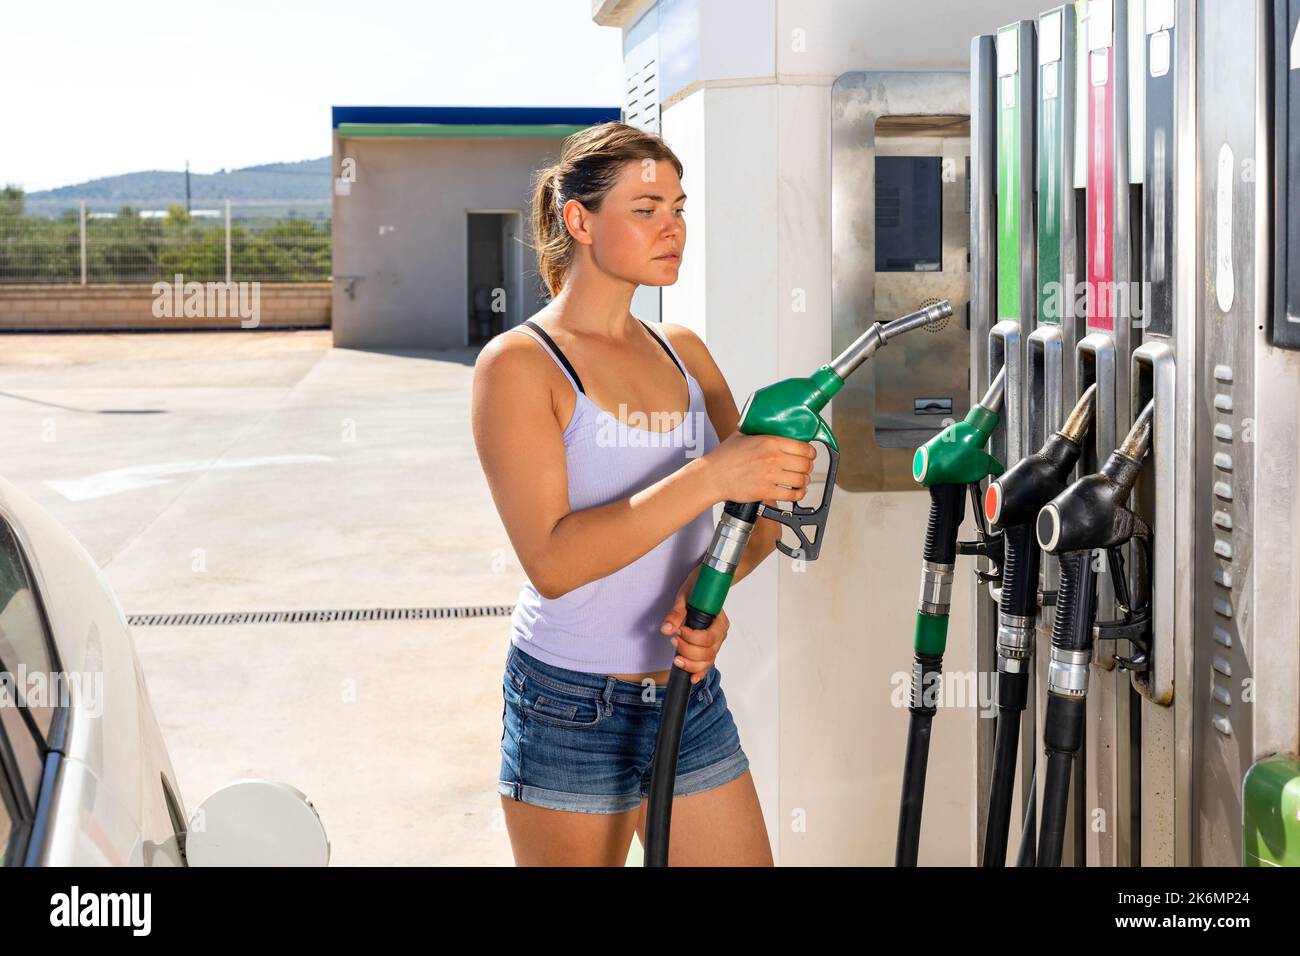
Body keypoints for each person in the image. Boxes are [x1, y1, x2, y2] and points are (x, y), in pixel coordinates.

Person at [471, 121, 815, 866]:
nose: (674, 229)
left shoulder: (683, 351)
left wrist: (709, 593)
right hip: (569, 706)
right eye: (647, 208)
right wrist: (712, 476)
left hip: (684, 696)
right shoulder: (521, 366)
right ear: (580, 220)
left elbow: (756, 518)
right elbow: (553, 564)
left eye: (680, 208)